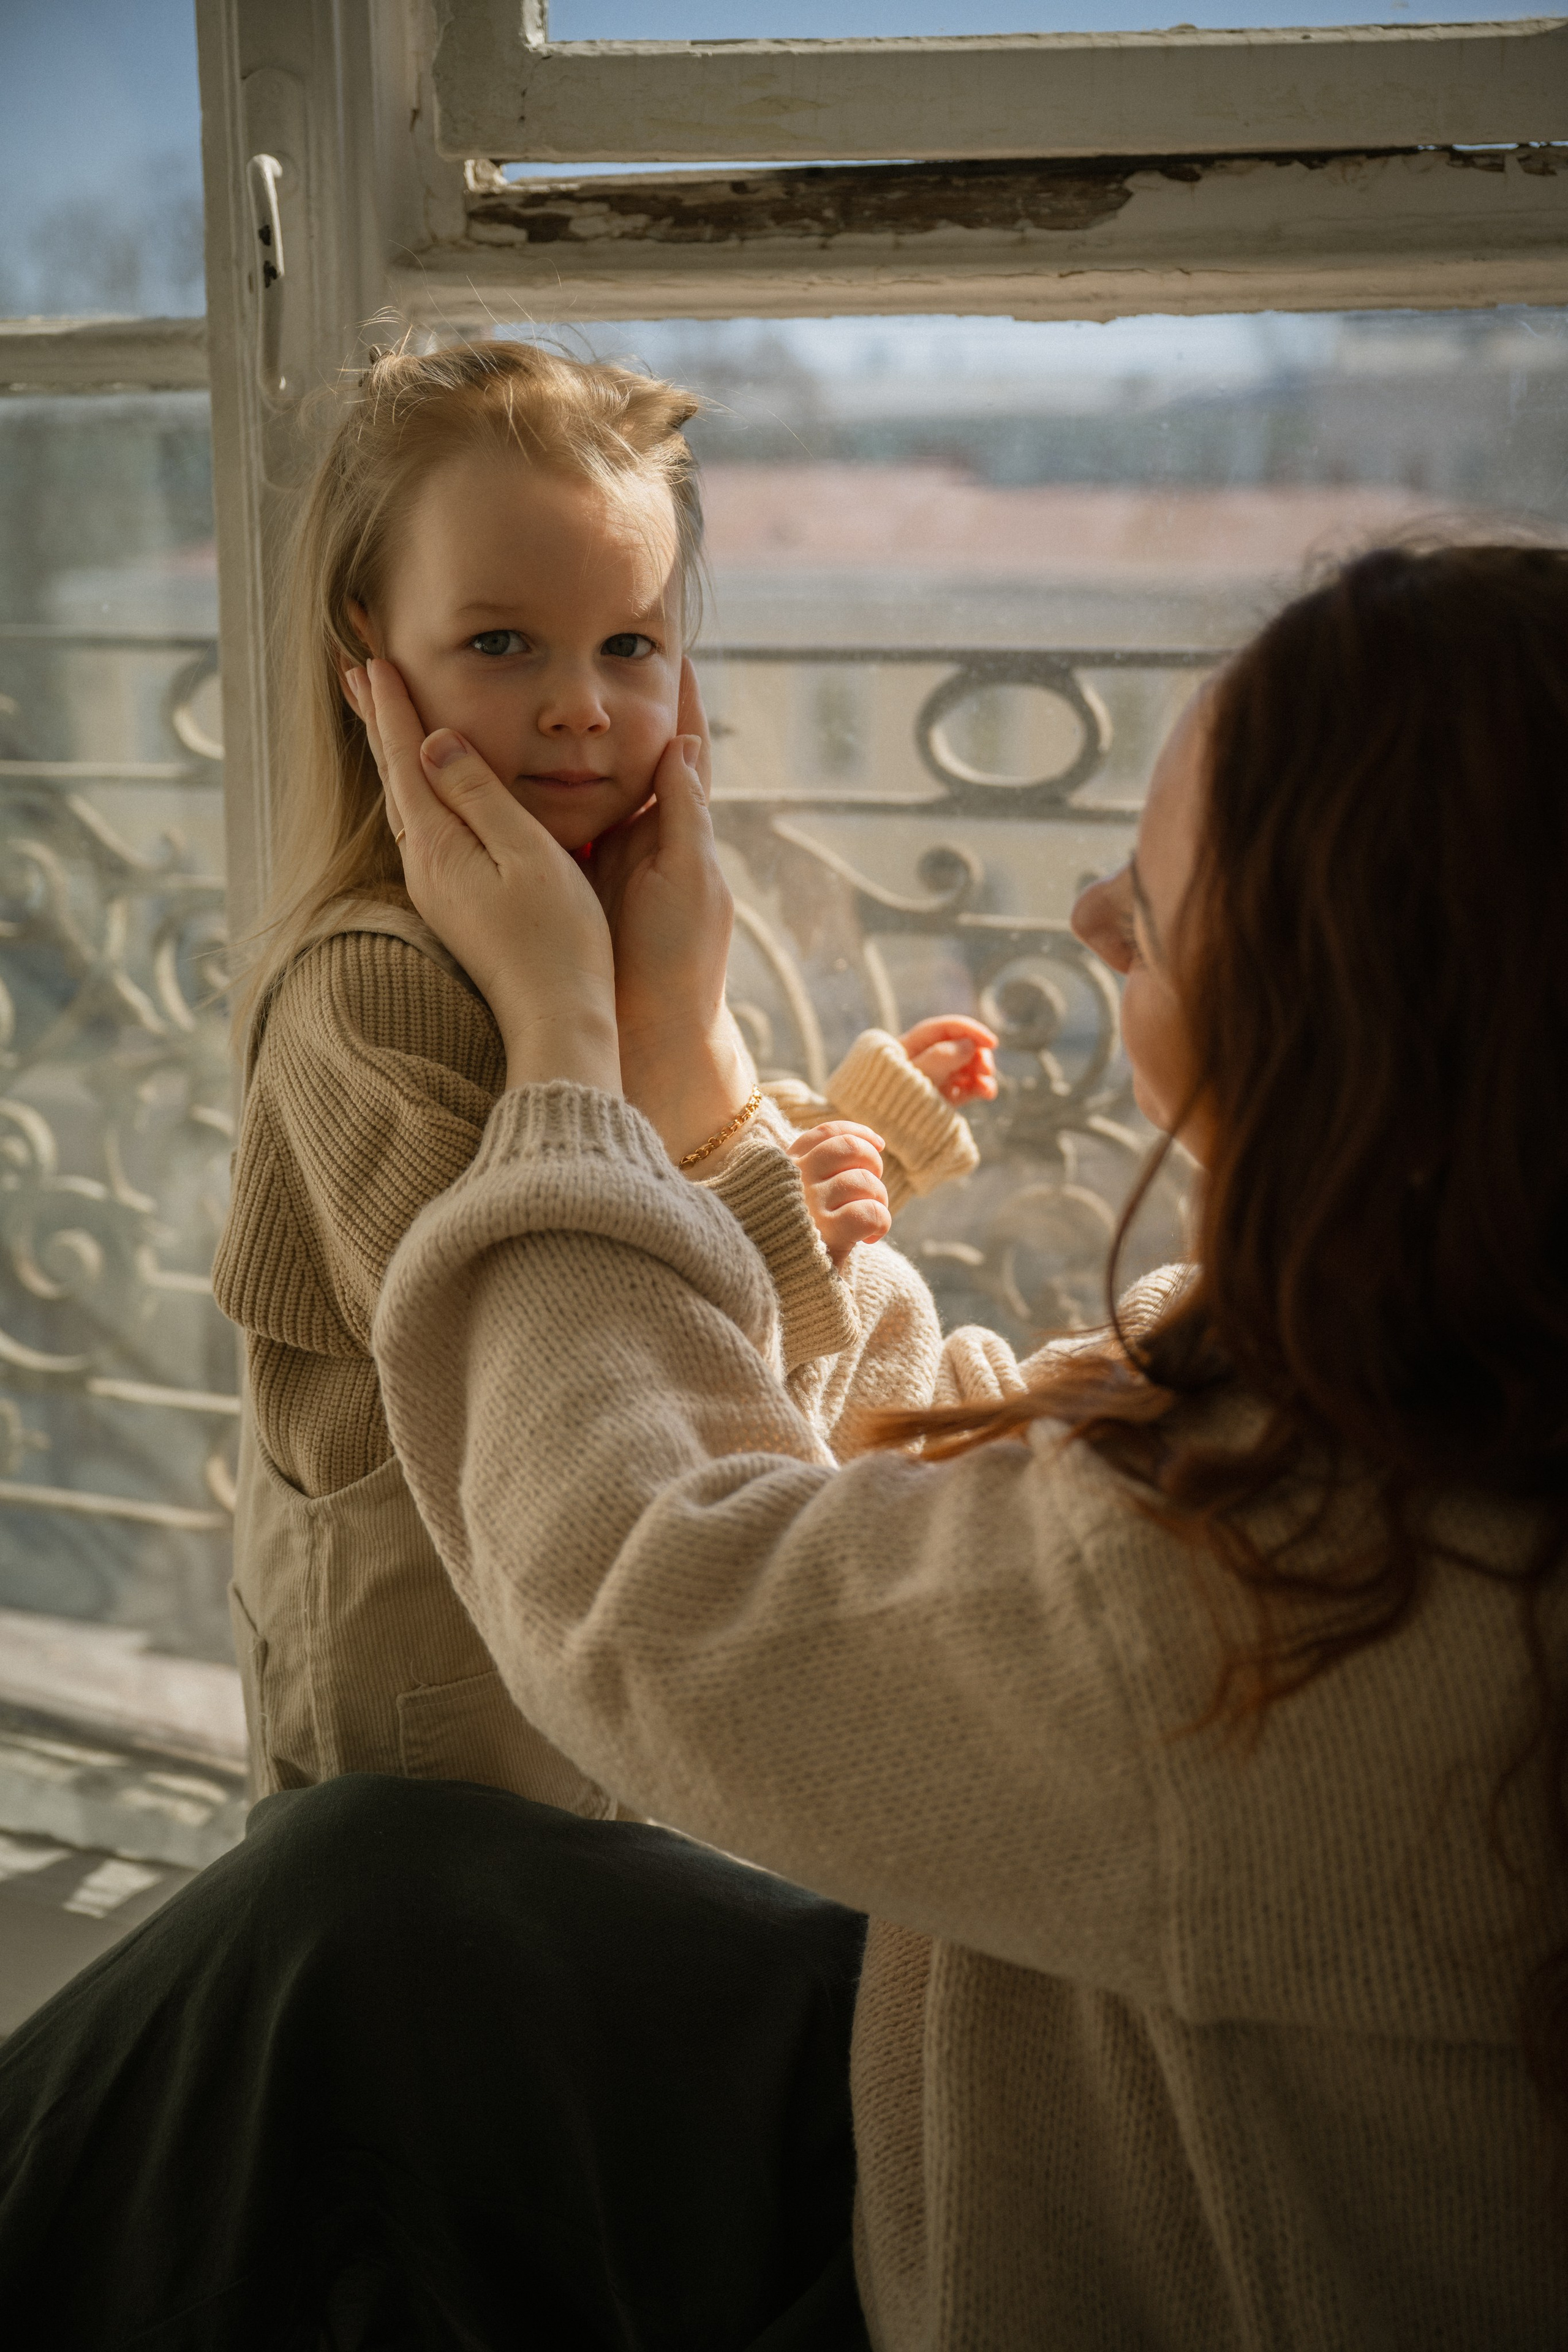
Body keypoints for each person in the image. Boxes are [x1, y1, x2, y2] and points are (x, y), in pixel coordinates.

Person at [3, 541, 1566, 2348]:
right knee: (376, 1910)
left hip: (1032, 2239)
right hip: (1046, 2055)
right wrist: (709, 1102)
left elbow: (642, 1591)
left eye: (1149, 896)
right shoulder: (1460, 1373)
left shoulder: (1291, 1607)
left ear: (1361, 1010)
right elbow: (976, 1527)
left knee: (335, 1986)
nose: (1090, 925)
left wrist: (566, 1055)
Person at [215, 337, 995, 1809]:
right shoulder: (370, 993)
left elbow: (665, 1174)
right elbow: (555, 1350)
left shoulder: (624, 925)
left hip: (607, 1692)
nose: (582, 705)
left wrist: (843, 1140)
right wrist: (773, 1207)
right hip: (452, 1771)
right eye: (504, 645)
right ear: (367, 663)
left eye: (628, 646)